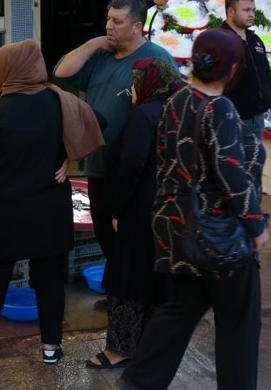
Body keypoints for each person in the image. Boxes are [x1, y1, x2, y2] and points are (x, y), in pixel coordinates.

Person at [120, 29, 271, 390]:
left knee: (177, 312)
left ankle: (138, 383)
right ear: (233, 69)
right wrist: (256, 225)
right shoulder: (220, 109)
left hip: (176, 231)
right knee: (238, 326)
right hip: (219, 237)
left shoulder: (177, 100)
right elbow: (230, 174)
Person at [0, 39, 104, 365]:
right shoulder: (60, 102)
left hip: (7, 210)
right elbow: (99, 123)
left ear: (10, 71)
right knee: (49, 277)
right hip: (49, 208)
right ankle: (51, 347)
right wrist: (70, 157)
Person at [54, 0, 177, 310]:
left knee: (132, 239)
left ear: (137, 26)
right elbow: (62, 72)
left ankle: (135, 303)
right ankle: (120, 297)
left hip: (136, 170)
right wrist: (95, 43)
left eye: (117, 21)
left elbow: (174, 106)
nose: (109, 26)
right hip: (99, 163)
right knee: (105, 234)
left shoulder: (156, 59)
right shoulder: (102, 56)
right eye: (108, 19)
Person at [86, 57, 183, 370]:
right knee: (155, 279)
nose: (131, 89)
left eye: (135, 82)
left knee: (127, 278)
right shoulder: (178, 109)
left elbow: (132, 164)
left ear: (148, 83)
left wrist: (116, 207)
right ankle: (151, 345)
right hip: (169, 209)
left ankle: (120, 349)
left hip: (140, 209)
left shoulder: (144, 115)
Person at [222, 0, 271, 198]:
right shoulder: (220, 41)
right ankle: (242, 211)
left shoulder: (255, 40)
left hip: (257, 118)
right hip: (235, 120)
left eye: (253, 9)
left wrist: (268, 97)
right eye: (246, 10)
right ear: (230, 12)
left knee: (254, 168)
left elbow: (264, 73)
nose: (252, 14)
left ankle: (253, 209)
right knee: (237, 175)